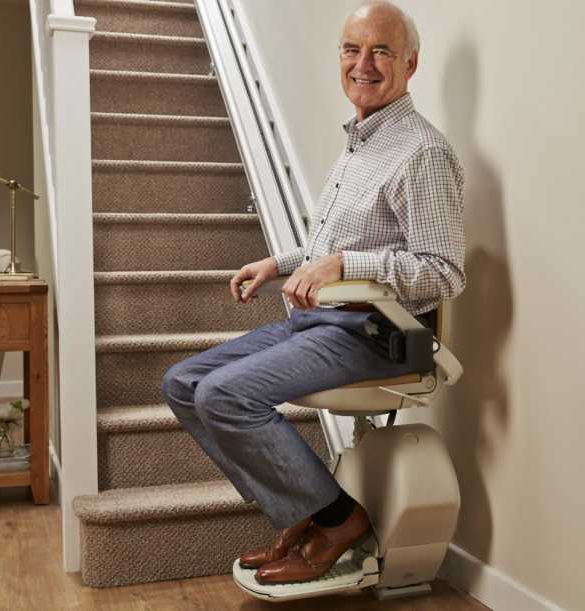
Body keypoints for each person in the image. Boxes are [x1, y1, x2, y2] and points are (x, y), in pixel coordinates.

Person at [161, 0, 466, 585]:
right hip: (323, 322)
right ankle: (310, 511)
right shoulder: (359, 144)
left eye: (381, 50)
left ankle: (338, 520)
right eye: (353, 49)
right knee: (183, 384)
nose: (364, 63)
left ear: (410, 62)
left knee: (224, 394)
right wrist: (278, 262)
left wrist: (342, 262)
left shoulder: (422, 153)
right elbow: (330, 250)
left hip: (382, 333)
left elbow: (443, 270)